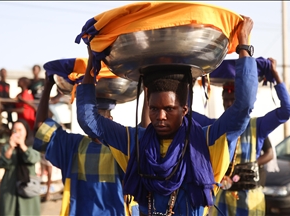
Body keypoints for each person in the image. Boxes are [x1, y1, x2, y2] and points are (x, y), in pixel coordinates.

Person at [76, 17, 258, 215]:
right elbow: (89, 120)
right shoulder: (134, 142)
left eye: (169, 109)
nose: (160, 116)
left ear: (184, 110)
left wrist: (243, 46)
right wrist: (90, 68)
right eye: (154, 109)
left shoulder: (207, 141)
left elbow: (243, 106)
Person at [33, 72, 146, 215]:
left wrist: (147, 90)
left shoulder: (122, 145)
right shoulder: (73, 145)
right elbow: (41, 127)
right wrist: (48, 85)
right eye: (85, 116)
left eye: (96, 117)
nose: (89, 121)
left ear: (109, 120)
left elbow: (145, 133)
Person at [199, 57, 290, 216]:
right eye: (226, 100)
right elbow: (184, 114)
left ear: (241, 102)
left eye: (233, 101)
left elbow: (287, 111)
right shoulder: (216, 126)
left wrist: (276, 75)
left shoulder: (258, 126)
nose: (229, 105)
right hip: (222, 199)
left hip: (249, 200)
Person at [0, 119, 41, 216]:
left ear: (26, 131)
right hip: (10, 189)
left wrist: (22, 145)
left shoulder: (32, 146)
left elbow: (33, 158)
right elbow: (1, 163)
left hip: (28, 188)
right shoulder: (7, 147)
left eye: (20, 130)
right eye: (15, 130)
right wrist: (11, 147)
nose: (17, 133)